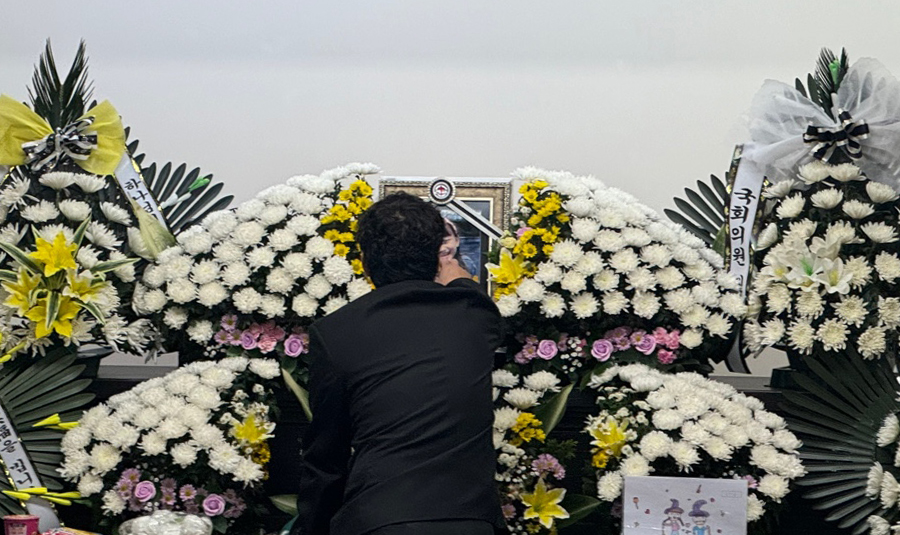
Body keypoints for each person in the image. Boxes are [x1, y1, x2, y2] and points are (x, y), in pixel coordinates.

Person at [291, 192, 505, 535]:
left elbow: (327, 457)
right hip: (470, 522)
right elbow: (475, 296)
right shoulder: (474, 315)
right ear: (437, 258)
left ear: (364, 262)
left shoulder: (335, 332)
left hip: (377, 519)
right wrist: (459, 276)